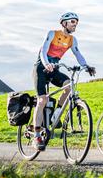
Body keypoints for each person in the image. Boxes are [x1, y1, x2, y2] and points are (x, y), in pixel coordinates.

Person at [32, 11, 96, 150]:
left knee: (69, 86)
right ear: (64, 23)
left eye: (76, 22)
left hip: (54, 69)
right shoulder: (52, 34)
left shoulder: (72, 40)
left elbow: (78, 54)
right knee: (42, 100)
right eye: (73, 22)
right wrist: (46, 63)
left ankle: (56, 115)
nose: (75, 25)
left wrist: (86, 66)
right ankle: (36, 135)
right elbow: (43, 51)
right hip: (41, 69)